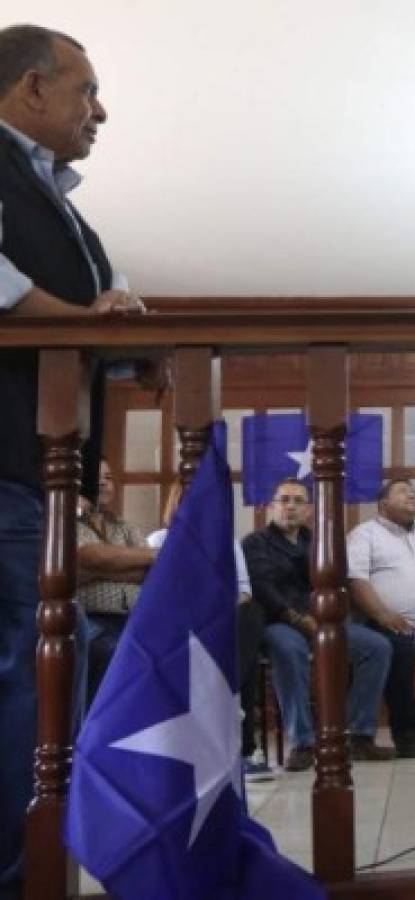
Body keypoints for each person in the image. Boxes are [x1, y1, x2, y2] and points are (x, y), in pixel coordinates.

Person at [0, 25, 149, 894]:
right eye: (86, 90)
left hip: (35, 472)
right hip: (8, 470)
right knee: (37, 654)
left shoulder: (61, 202)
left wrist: (119, 314)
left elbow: (104, 309)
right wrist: (83, 318)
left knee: (56, 647)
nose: (100, 110)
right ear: (30, 91)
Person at [242, 478, 394, 771]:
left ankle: (358, 736)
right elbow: (262, 589)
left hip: (322, 622)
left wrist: (328, 620)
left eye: (298, 501)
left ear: (309, 510)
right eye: (283, 500)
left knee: (377, 647)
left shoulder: (316, 543)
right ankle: (303, 742)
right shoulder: (255, 542)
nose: (290, 507)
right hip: (279, 622)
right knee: (289, 650)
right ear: (271, 507)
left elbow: (336, 583)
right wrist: (299, 621)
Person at [147, 481, 273, 780]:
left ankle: (228, 704)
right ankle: (239, 735)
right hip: (178, 624)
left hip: (222, 619)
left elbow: (243, 591)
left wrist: (215, 613)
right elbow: (155, 595)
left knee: (250, 617)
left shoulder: (227, 542)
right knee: (235, 649)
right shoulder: (157, 541)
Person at [347, 478, 415, 759]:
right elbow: (356, 580)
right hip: (387, 622)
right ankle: (407, 733)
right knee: (400, 646)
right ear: (383, 504)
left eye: (413, 491)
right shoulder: (365, 534)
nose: (412, 493)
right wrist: (384, 615)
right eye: (402, 491)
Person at [77, 459, 156, 705]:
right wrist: (151, 556)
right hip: (89, 620)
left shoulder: (125, 528)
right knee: (115, 654)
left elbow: (153, 572)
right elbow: (87, 557)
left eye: (109, 477)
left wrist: (100, 568)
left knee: (171, 651)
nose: (103, 482)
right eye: (96, 476)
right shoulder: (65, 522)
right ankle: (97, 737)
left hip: (134, 620)